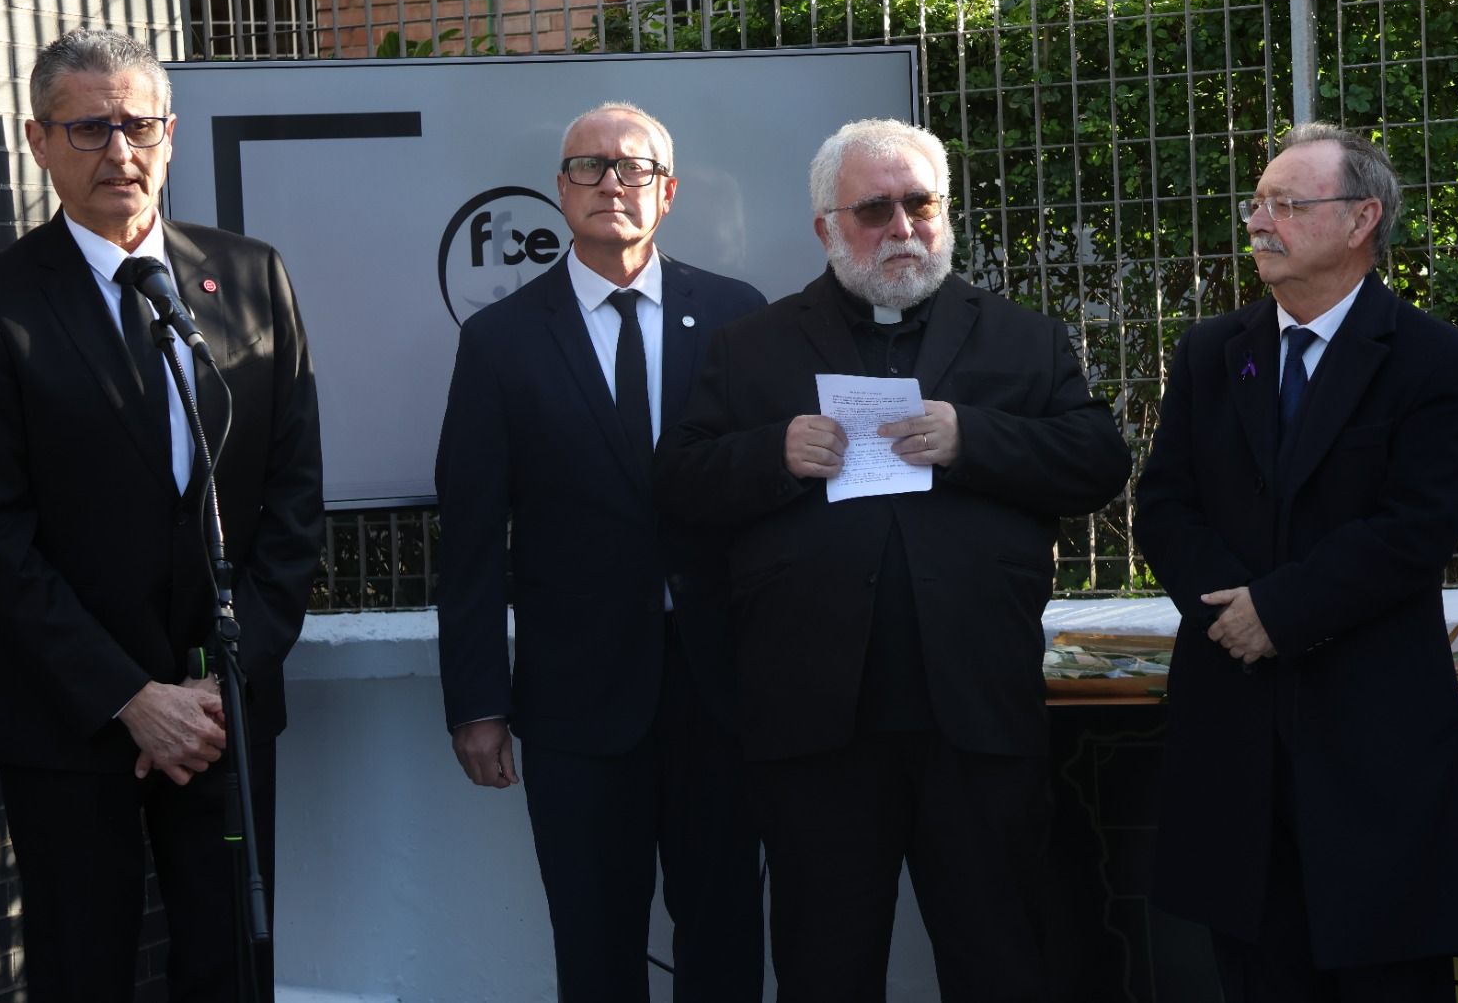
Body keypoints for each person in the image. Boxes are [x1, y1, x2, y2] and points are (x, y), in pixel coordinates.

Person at [653, 117, 1131, 1002]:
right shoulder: (754, 346)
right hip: (817, 724)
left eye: (921, 204)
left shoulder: (1020, 339)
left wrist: (971, 438)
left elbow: (1100, 460)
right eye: (875, 209)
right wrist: (772, 454)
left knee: (1002, 960)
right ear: (827, 228)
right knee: (825, 965)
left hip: (977, 713)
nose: (903, 228)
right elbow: (677, 483)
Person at [0, 27, 324, 1002]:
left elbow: (293, 499)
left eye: (137, 124)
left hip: (223, 718)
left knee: (230, 967)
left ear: (171, 134)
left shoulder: (250, 277)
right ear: (38, 140)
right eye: (90, 127)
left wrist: (228, 685)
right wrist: (130, 696)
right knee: (82, 970)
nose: (119, 151)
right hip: (74, 721)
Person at [1135, 122, 1458, 1001]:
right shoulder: (1213, 352)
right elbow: (1164, 505)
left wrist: (1280, 613)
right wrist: (1232, 613)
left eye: (1287, 204)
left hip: (1370, 743)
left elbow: (1416, 528)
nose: (1259, 221)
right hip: (1234, 735)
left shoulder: (1437, 361)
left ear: (1363, 218)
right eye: (1258, 202)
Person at [435, 102, 766, 1001]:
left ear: (668, 192)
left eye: (631, 168)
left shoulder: (737, 318)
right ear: (559, 191)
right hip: (576, 699)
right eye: (588, 167)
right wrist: (476, 702)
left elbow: (771, 506)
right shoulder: (500, 340)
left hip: (721, 690)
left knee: (728, 930)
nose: (609, 183)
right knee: (593, 941)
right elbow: (468, 534)